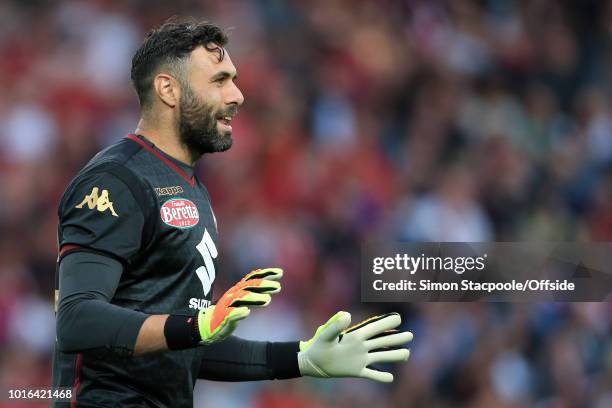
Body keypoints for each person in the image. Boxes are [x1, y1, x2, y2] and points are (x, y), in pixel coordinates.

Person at [52, 19, 413, 407]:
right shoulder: (116, 182)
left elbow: (187, 344)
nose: (237, 95)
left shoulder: (194, 191)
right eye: (219, 81)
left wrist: (300, 357)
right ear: (168, 89)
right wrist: (198, 326)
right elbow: (76, 319)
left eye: (234, 80)